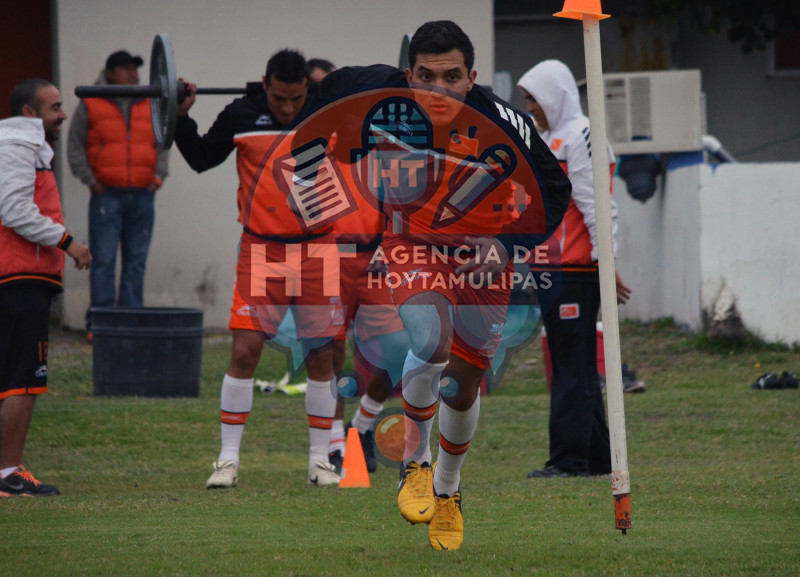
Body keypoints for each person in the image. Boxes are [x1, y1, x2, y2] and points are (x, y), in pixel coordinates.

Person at [298, 21, 571, 550]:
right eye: (426, 77)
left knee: (465, 382)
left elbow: (553, 190)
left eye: (451, 77)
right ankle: (415, 464)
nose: (438, 90)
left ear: (471, 77)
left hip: (483, 258)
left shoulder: (504, 120)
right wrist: (312, 176)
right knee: (431, 339)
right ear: (409, 73)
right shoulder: (373, 90)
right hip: (412, 247)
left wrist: (508, 247)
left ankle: (448, 490)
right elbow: (314, 107)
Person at [174, 49, 343, 488]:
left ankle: (320, 461)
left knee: (323, 356)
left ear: (309, 88)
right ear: (264, 84)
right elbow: (199, 157)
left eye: (297, 99)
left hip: (318, 250)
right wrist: (178, 115)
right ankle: (227, 462)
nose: (289, 108)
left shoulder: (328, 113)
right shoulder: (241, 113)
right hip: (262, 251)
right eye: (280, 99)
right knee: (245, 352)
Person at [517, 59, 632, 479]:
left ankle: (569, 461)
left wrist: (607, 262)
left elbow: (597, 204)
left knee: (572, 365)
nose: (531, 107)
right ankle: (598, 459)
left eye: (534, 99)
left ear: (555, 95)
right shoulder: (551, 138)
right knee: (572, 362)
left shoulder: (583, 134)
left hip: (577, 270)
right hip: (553, 269)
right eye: (527, 100)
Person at [0, 79, 92, 497]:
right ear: (29, 114)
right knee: (24, 378)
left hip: (19, 277)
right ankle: (8, 473)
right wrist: (68, 242)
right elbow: (15, 209)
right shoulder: (19, 145)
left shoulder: (22, 145)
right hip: (20, 278)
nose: (63, 114)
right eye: (55, 107)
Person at [67, 50, 169, 339]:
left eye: (135, 69)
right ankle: (101, 323)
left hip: (143, 195)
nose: (133, 74)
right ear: (110, 73)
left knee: (136, 260)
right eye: (125, 69)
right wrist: (91, 181)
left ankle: (131, 320)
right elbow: (74, 146)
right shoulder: (91, 101)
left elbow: (164, 142)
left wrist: (158, 177)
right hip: (106, 195)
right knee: (103, 260)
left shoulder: (151, 101)